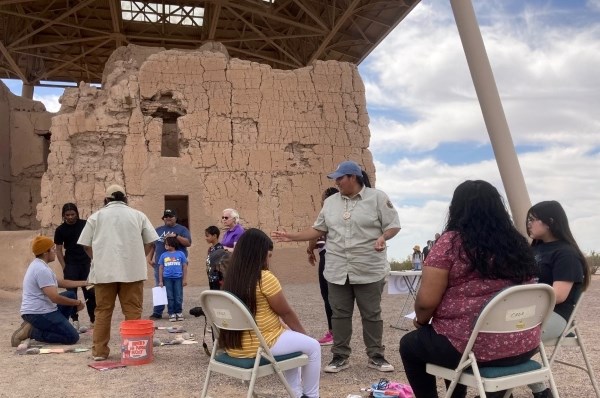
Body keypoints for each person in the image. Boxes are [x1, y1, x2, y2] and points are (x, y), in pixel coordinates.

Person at [399, 180, 541, 398]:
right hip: (523, 345)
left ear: (456, 209)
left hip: (474, 349)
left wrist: (420, 321)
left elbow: (426, 302)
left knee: (411, 345)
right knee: (445, 334)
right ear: (498, 208)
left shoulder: (451, 243)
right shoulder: (518, 243)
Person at [272, 160, 401, 374]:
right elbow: (318, 229)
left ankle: (376, 356)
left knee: (372, 314)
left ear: (353, 177)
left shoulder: (377, 198)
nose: (337, 182)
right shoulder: (331, 202)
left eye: (340, 178)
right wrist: (291, 236)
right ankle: (340, 356)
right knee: (339, 315)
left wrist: (382, 237)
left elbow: (393, 225)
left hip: (368, 268)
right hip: (337, 269)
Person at [220, 228, 321, 398]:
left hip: (234, 346)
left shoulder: (231, 278)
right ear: (260, 255)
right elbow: (286, 312)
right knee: (313, 347)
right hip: (259, 346)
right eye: (269, 255)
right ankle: (311, 396)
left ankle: (296, 393)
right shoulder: (264, 278)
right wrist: (304, 335)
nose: (268, 259)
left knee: (290, 339)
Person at [78, 184, 159, 361]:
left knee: (103, 312)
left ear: (106, 200)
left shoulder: (96, 217)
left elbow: (85, 245)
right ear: (125, 199)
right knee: (132, 312)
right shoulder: (138, 215)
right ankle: (134, 350)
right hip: (133, 273)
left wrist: (98, 258)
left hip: (104, 273)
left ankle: (99, 352)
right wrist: (138, 257)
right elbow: (151, 241)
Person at [526, 200, 591, 398]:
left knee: (510, 340)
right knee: (494, 335)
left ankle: (541, 392)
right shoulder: (534, 250)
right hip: (531, 312)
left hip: (556, 315)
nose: (528, 224)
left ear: (550, 222)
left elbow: (559, 296)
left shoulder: (566, 253)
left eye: (532, 219)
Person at [11, 236, 88, 347]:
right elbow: (55, 298)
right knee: (72, 337)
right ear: (46, 252)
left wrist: (84, 283)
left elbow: (60, 283)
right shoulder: (42, 270)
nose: (55, 252)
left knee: (70, 294)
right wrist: (77, 303)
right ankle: (31, 332)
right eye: (52, 249)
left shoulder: (39, 265)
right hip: (37, 313)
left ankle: (58, 327)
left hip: (42, 310)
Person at [54, 202, 96, 330]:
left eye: (72, 214)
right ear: (63, 215)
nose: (70, 217)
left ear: (77, 213)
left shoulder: (85, 225)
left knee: (90, 292)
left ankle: (93, 320)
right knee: (71, 294)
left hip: (85, 263)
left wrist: (94, 260)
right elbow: (59, 250)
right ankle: (75, 320)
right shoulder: (60, 230)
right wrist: (64, 266)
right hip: (71, 264)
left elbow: (92, 242)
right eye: (67, 215)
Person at [306, 187, 339, 346]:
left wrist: (309, 249)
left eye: (322, 198)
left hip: (328, 257)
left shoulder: (326, 214)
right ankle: (340, 332)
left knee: (328, 296)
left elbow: (315, 235)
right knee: (339, 297)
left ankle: (333, 333)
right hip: (338, 257)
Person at [147, 209, 192, 320]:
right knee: (160, 287)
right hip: (160, 264)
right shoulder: (158, 230)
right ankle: (157, 312)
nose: (168, 218)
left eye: (170, 216)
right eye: (166, 216)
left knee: (176, 289)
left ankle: (176, 311)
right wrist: (149, 258)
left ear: (175, 217)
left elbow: (188, 243)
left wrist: (176, 236)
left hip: (176, 265)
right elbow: (154, 245)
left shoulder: (182, 229)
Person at [158, 236, 188, 322]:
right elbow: (160, 267)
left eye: (168, 244)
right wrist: (160, 281)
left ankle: (178, 312)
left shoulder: (180, 254)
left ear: (173, 244)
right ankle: (171, 313)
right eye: (165, 244)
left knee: (178, 296)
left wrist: (184, 279)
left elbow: (184, 266)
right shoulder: (163, 255)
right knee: (169, 296)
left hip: (178, 278)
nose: (166, 246)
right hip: (167, 279)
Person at [205, 225, 225, 290]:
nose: (206, 238)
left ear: (214, 236)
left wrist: (221, 278)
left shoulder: (219, 248)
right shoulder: (210, 249)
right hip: (211, 278)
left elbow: (220, 265)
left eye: (207, 236)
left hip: (218, 279)